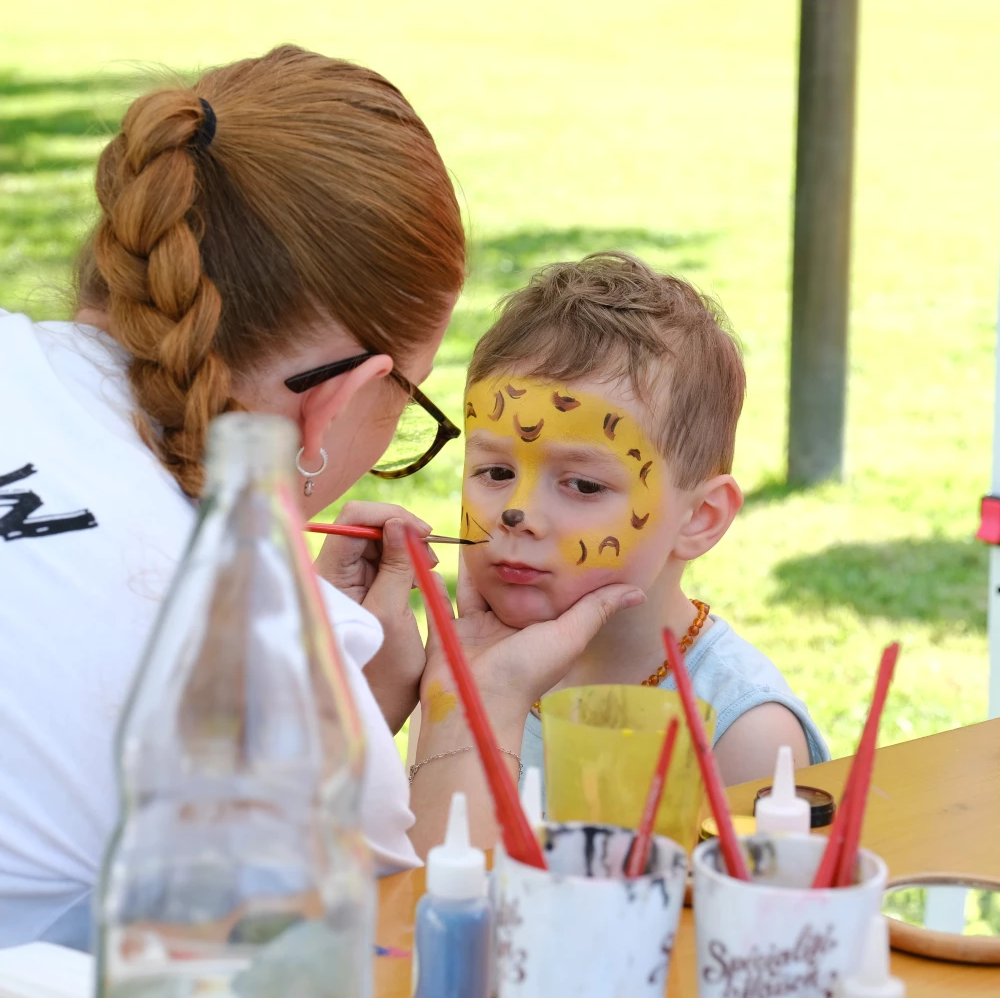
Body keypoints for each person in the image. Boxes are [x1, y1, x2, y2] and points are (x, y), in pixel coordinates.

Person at [0, 47, 643, 949]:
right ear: (338, 400)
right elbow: (410, 953)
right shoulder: (276, 672)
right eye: (410, 401)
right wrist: (472, 699)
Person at [457, 251, 830, 796]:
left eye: (583, 485)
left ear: (699, 519)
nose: (518, 515)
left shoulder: (743, 737)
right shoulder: (460, 675)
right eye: (495, 472)